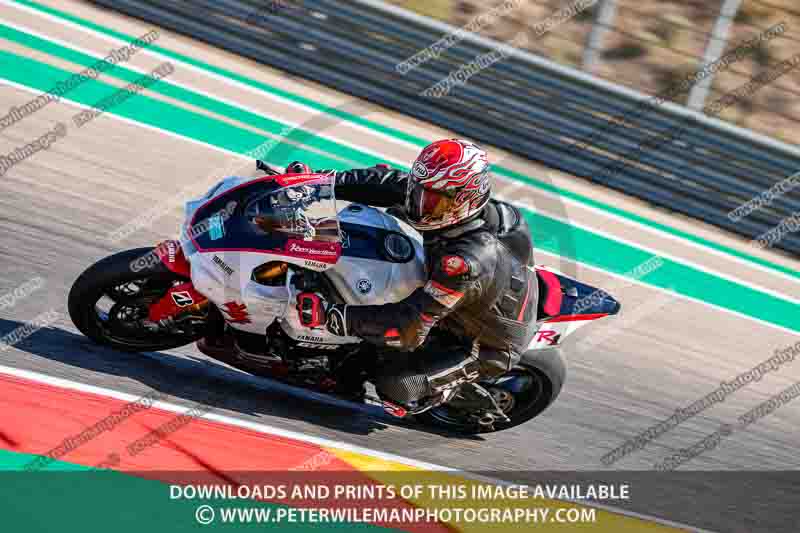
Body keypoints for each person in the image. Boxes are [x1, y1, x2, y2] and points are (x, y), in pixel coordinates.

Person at [291, 140, 538, 425]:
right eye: (418, 190)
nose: (420, 204)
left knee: (396, 387)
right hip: (475, 292)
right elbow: (386, 182)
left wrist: (333, 315)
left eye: (434, 200)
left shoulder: (466, 262)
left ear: (465, 200)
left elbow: (408, 329)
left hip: (481, 340)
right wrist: (319, 181)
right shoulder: (443, 200)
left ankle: (450, 392)